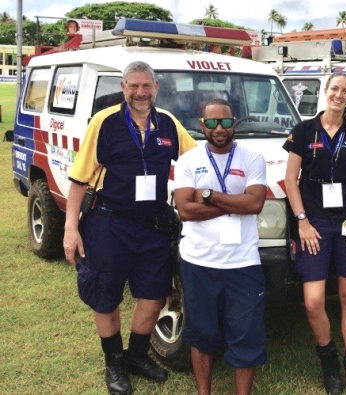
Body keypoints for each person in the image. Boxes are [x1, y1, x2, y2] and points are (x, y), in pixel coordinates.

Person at [62, 61, 197, 394]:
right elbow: (79, 180)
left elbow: (198, 160)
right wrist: (70, 229)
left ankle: (136, 355)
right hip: (109, 223)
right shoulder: (104, 122)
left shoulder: (167, 123)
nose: (140, 93)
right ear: (123, 87)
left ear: (156, 87)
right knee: (105, 298)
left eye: (146, 86)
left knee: (153, 297)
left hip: (153, 227)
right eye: (133, 86)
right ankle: (114, 364)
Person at [283, 72, 346, 395]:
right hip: (315, 224)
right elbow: (290, 179)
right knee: (313, 302)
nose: (339, 95)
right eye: (334, 89)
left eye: (345, 91)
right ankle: (329, 360)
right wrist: (302, 221)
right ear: (325, 91)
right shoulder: (304, 130)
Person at [174, 98, 267, 395]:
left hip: (243, 263)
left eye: (225, 122)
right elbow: (185, 210)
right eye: (212, 122)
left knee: (246, 335)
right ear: (201, 125)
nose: (219, 129)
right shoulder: (189, 160)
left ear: (234, 123)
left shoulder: (252, 158)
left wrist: (209, 195)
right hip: (199, 261)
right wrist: (233, 205)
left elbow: (254, 203)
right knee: (201, 334)